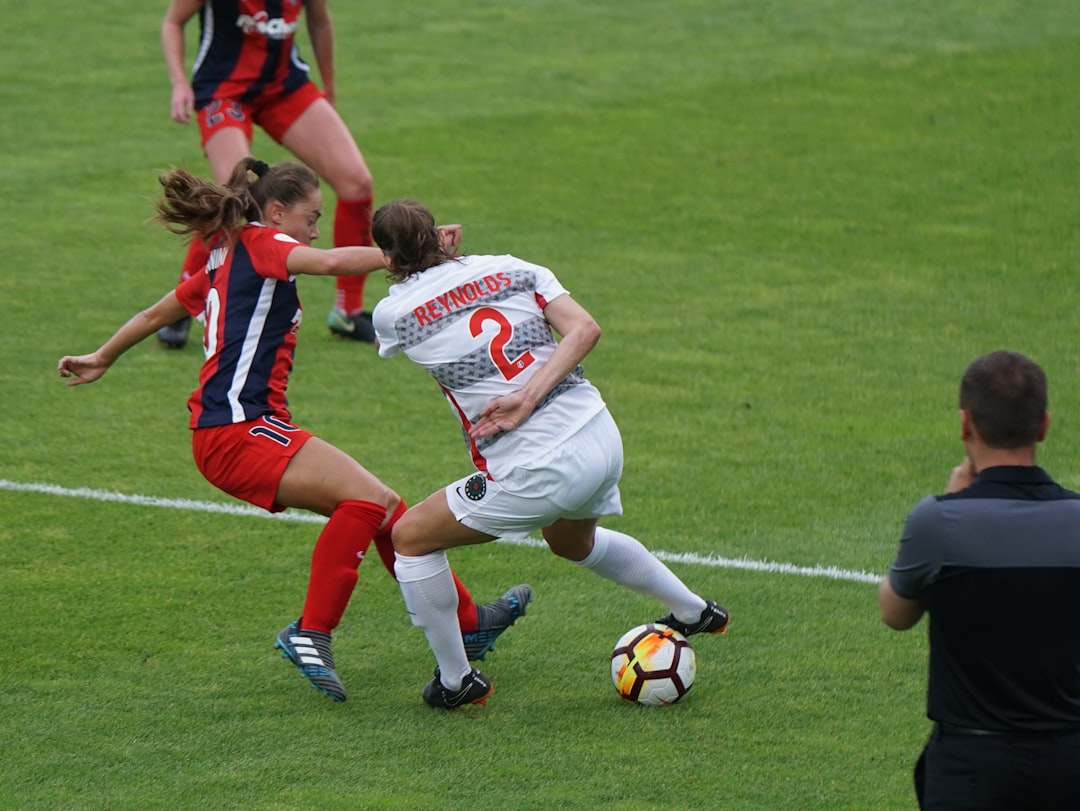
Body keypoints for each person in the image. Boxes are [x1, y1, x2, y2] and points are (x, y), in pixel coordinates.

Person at [58, 160, 530, 703]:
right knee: (368, 501)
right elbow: (329, 261)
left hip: (241, 430)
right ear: (277, 211)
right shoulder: (261, 243)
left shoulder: (226, 258)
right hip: (238, 431)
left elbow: (150, 315)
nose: (314, 228)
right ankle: (312, 631)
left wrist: (101, 357)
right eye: (311, 215)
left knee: (389, 512)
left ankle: (469, 622)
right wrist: (408, 252)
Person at [368, 199, 729, 709]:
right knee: (570, 543)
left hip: (535, 467)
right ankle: (694, 610)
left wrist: (523, 401)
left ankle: (456, 682)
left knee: (410, 538)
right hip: (599, 435)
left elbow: (407, 284)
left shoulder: (392, 314)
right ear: (440, 235)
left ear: (387, 257)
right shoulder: (515, 268)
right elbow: (585, 328)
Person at [879, 350, 1080, 810]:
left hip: (971, 769)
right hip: (1070, 760)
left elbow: (895, 613)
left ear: (964, 424)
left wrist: (951, 503)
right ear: (1044, 426)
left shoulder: (938, 523)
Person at [156, 0, 377, 348]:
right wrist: (179, 83)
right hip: (223, 91)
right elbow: (173, 22)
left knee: (356, 182)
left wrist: (328, 87)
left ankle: (347, 311)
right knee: (237, 199)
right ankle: (187, 300)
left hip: (286, 87)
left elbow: (319, 21)